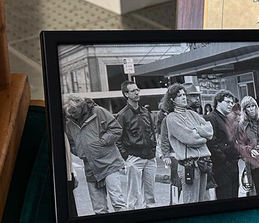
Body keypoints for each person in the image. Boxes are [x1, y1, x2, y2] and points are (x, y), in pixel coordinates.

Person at [63, 93, 127, 214]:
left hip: (109, 163)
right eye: (69, 113)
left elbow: (116, 129)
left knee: (117, 202)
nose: (72, 114)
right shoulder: (69, 124)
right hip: (90, 168)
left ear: (80, 106)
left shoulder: (98, 111)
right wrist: (80, 151)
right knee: (99, 208)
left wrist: (102, 142)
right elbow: (71, 143)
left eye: (74, 111)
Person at [158, 83, 213, 203]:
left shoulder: (192, 114)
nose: (183, 97)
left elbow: (209, 130)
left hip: (203, 162)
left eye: (184, 95)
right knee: (191, 200)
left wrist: (196, 130)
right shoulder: (172, 118)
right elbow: (190, 138)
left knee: (203, 199)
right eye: (179, 96)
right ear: (172, 100)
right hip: (189, 164)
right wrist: (202, 136)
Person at [115, 81, 157, 209]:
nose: (137, 93)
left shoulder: (145, 112)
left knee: (150, 195)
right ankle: (133, 216)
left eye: (137, 90)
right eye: (133, 91)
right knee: (133, 195)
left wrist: (154, 148)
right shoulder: (122, 115)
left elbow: (152, 131)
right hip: (134, 158)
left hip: (150, 157)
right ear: (126, 94)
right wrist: (126, 156)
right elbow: (117, 138)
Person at [205, 90, 242, 200]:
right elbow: (212, 142)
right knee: (225, 196)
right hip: (222, 166)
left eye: (232, 103)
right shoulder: (211, 118)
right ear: (218, 102)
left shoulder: (227, 118)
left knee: (234, 195)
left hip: (233, 163)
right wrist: (223, 160)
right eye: (228, 102)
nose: (231, 105)